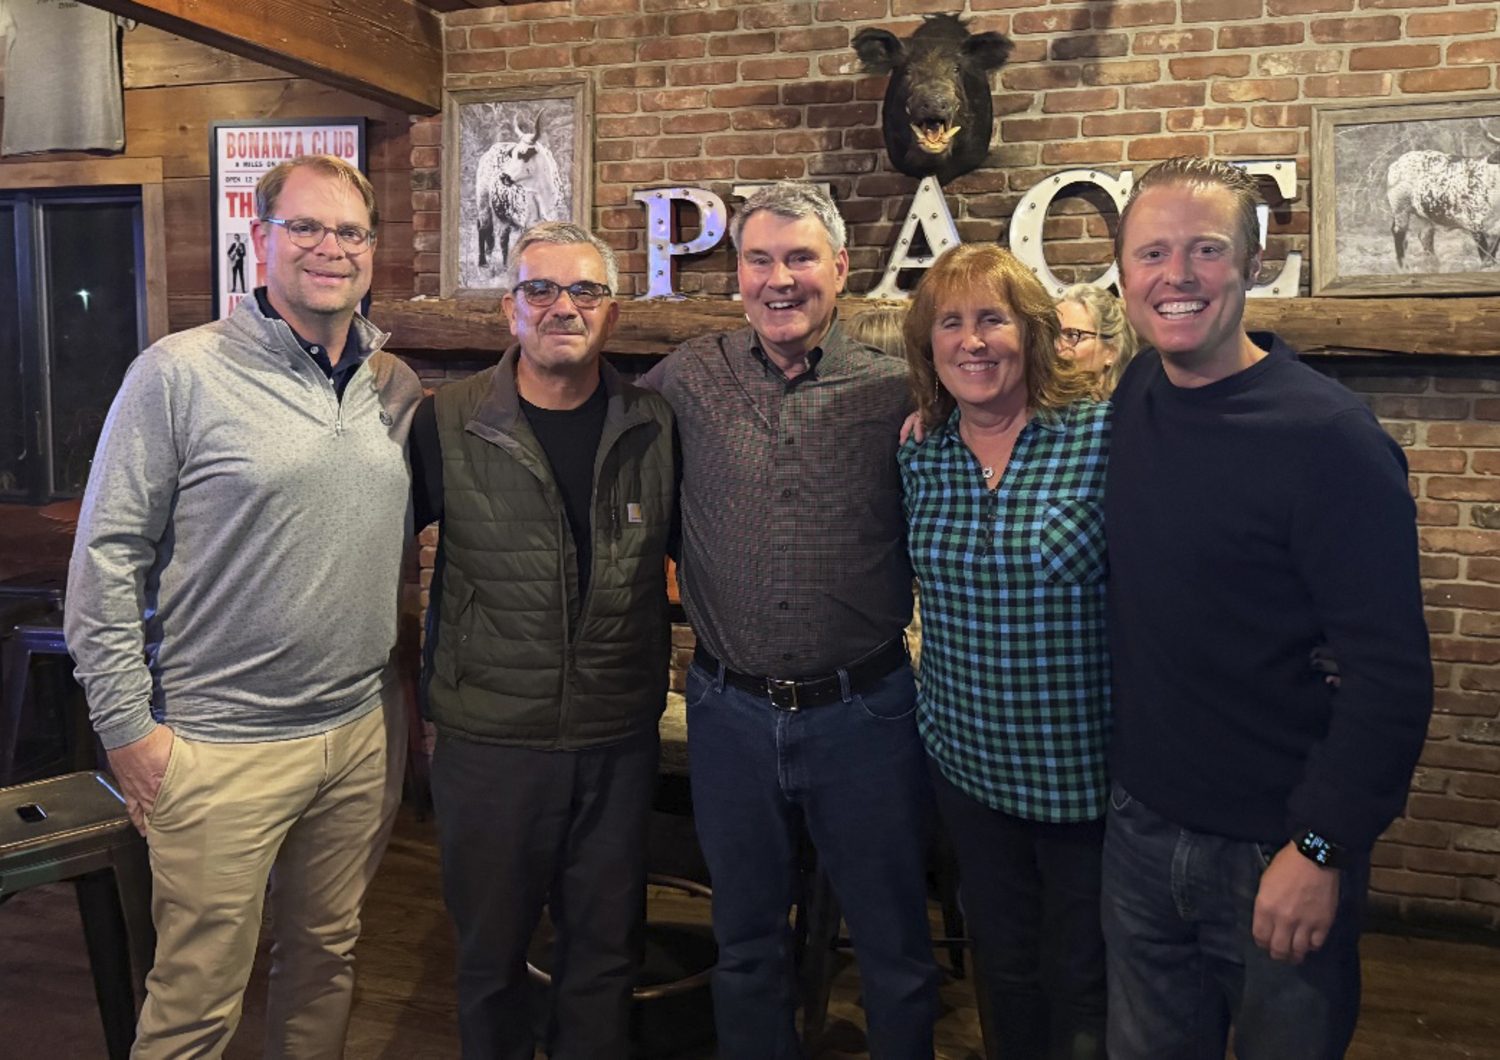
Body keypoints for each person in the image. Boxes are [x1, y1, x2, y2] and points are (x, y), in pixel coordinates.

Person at [65, 154, 422, 1057]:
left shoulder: (394, 386)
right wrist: (126, 729)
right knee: (194, 1002)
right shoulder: (178, 374)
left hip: (358, 733)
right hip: (220, 745)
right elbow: (106, 555)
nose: (328, 249)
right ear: (259, 239)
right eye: (304, 226)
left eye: (349, 232)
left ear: (372, 250)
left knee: (325, 959)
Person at [1103, 156, 1433, 1059]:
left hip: (1274, 849)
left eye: (1207, 250)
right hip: (1138, 830)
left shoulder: (1330, 440)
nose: (1177, 276)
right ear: (1123, 272)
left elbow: (1391, 678)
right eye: (1153, 252)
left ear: (1253, 266)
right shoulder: (1136, 395)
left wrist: (1321, 848)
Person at [641, 181, 940, 1059]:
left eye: (801, 258)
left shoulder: (899, 394)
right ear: (737, 274)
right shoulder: (689, 377)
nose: (781, 279)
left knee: (893, 949)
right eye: (761, 259)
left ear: (840, 270)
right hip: (728, 712)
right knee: (746, 947)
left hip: (868, 715)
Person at [408, 221, 676, 1060]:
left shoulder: (655, 424)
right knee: (491, 963)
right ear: (509, 309)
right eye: (541, 290)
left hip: (616, 739)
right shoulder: (445, 421)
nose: (563, 307)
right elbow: (367, 552)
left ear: (614, 312)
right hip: (491, 741)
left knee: (602, 958)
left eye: (585, 291)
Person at [899, 244, 1109, 1059]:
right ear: (929, 346)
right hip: (967, 769)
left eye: (992, 318)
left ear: (1034, 331)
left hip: (1087, 776)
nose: (972, 340)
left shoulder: (1103, 437)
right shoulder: (921, 454)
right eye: (950, 323)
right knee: (1007, 968)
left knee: (1087, 977)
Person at [1054, 282, 1138, 398]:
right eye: (1052, 334)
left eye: (1072, 336)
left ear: (1112, 351)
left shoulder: (1127, 412)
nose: (1057, 346)